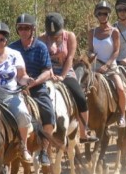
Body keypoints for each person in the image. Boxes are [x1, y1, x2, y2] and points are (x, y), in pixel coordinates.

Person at [0, 22, 33, 163]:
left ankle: (24, 147)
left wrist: (27, 80)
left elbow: (21, 76)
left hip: (9, 94)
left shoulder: (15, 55)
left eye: (1, 39)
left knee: (22, 113)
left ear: (6, 40)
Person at [40, 13, 98, 142]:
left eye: (57, 34)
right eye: (52, 34)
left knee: (81, 98)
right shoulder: (42, 39)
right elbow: (43, 60)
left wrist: (62, 76)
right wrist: (50, 74)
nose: (54, 36)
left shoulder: (70, 36)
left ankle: (83, 133)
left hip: (66, 71)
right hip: (46, 72)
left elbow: (70, 58)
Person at [9, 13, 55, 166]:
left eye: (26, 28)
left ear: (32, 29)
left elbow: (48, 71)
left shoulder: (41, 47)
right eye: (20, 28)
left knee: (49, 113)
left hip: (37, 88)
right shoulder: (11, 48)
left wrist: (33, 83)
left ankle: (44, 150)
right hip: (16, 89)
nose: (23, 31)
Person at [89, 1, 126, 128]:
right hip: (95, 68)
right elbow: (90, 49)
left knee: (120, 89)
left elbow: (116, 50)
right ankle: (83, 119)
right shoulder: (92, 32)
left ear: (108, 15)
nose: (103, 16)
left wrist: (107, 65)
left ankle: (122, 115)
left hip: (110, 68)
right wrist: (90, 57)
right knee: (83, 88)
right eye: (100, 13)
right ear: (97, 15)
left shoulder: (114, 31)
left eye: (105, 13)